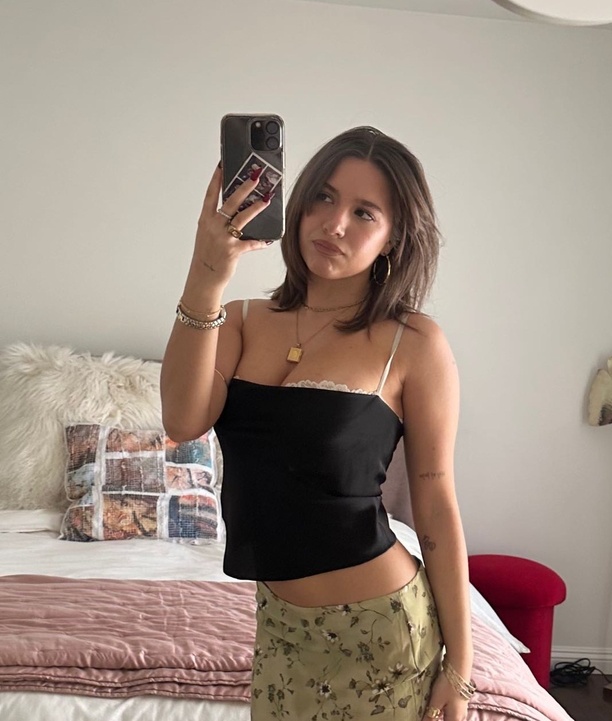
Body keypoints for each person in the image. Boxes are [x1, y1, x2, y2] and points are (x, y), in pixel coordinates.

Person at [161, 126, 474, 720]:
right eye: (324, 198)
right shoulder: (239, 321)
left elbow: (435, 500)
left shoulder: (412, 343)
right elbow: (181, 418)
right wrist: (206, 273)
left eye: (364, 212)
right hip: (281, 630)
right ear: (298, 203)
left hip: (383, 633)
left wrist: (460, 666)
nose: (334, 224)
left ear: (393, 237)